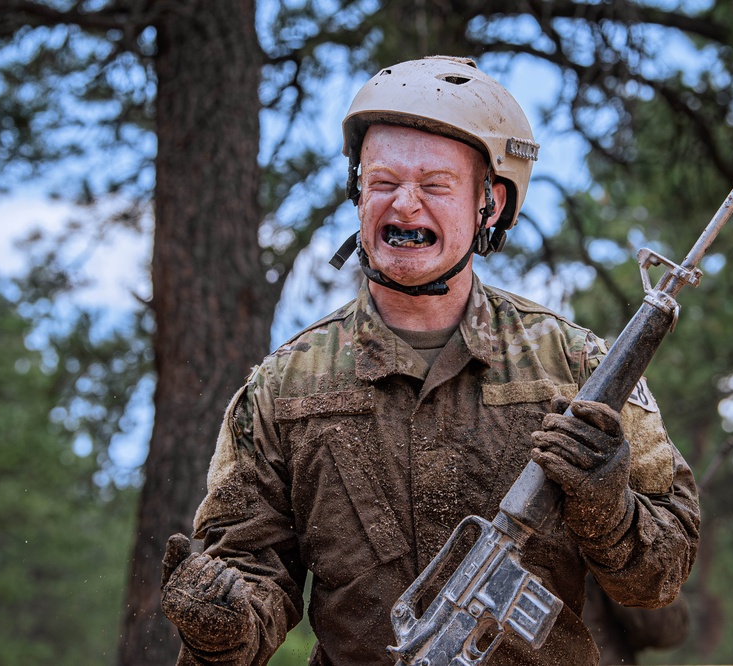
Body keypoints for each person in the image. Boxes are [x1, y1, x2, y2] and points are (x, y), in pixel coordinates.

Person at [160, 55, 700, 666]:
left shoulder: (577, 367)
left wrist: (607, 506)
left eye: (436, 185)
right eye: (382, 181)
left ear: (489, 205)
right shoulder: (284, 387)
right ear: (356, 192)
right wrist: (221, 625)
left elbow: (662, 576)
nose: (405, 205)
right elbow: (249, 572)